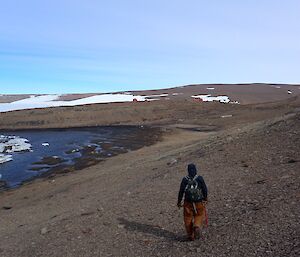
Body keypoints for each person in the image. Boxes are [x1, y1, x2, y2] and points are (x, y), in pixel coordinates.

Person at [177, 163, 208, 241]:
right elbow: (204, 189)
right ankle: (197, 226)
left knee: (187, 218)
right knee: (199, 215)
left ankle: (190, 235)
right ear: (195, 170)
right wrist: (205, 198)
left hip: (188, 203)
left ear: (188, 170)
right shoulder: (200, 178)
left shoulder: (185, 179)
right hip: (199, 202)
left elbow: (181, 191)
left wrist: (179, 201)